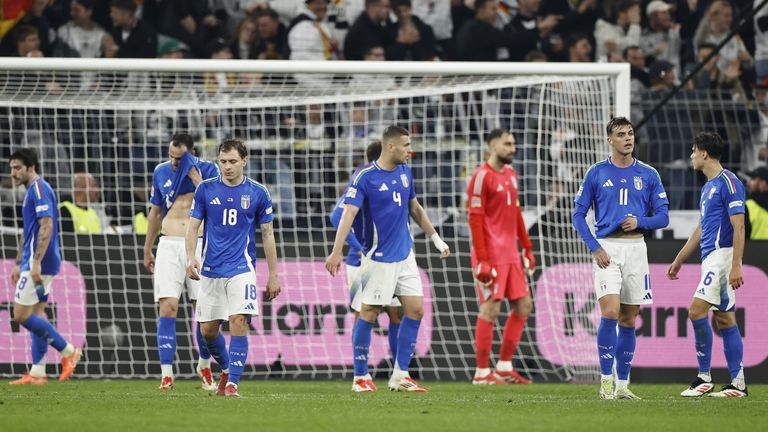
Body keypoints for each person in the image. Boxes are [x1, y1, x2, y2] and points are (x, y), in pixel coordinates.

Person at [325, 126, 450, 393]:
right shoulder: (365, 177)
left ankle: (400, 375)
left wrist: (436, 239)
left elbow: (414, 208)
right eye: (406, 145)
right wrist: (336, 251)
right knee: (368, 313)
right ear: (390, 146)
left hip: (406, 254)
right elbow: (346, 215)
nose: (410, 149)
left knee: (415, 310)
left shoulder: (405, 172)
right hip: (378, 258)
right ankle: (360, 377)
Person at [572, 117, 670, 399]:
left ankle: (623, 386)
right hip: (607, 250)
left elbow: (663, 216)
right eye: (620, 134)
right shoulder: (596, 172)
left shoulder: (649, 174)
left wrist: (640, 221)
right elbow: (578, 215)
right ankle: (605, 382)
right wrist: (594, 247)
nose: (627, 138)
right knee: (611, 313)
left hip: (637, 249)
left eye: (630, 134)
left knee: (629, 320)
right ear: (609, 140)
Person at [186, 138, 281, 398]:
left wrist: (273, 274)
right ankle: (227, 368)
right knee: (207, 331)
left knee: (239, 321)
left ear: (244, 161)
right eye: (222, 162)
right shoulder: (205, 189)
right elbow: (193, 226)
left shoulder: (258, 192)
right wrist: (190, 257)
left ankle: (232, 384)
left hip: (242, 267)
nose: (227, 167)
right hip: (211, 269)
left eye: (232, 162)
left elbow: (268, 234)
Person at [667, 132, 748, 398]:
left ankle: (704, 377)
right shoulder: (707, 188)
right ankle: (738, 384)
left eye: (693, 151)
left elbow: (739, 226)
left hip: (723, 257)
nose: (691, 156)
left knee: (695, 311)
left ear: (703, 153)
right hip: (710, 258)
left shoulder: (730, 182)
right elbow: (701, 230)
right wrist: (680, 259)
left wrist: (736, 264)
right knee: (725, 319)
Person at [143, 134, 221, 391]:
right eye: (171, 157)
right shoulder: (161, 172)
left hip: (199, 244)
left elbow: (215, 206)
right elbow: (155, 211)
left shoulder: (209, 170)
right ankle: (167, 374)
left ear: (193, 153)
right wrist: (148, 247)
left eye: (179, 158)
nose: (174, 163)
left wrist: (197, 179)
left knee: (203, 311)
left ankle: (204, 365)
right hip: (168, 244)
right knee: (168, 306)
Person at [467, 129, 536, 385]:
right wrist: (483, 259)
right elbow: (474, 219)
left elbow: (516, 214)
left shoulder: (511, 175)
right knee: (491, 309)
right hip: (490, 254)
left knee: (524, 305)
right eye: (507, 144)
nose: (512, 148)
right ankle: (482, 373)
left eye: (514, 144)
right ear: (493, 145)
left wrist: (527, 247)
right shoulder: (480, 176)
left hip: (511, 253)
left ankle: (504, 366)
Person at [8, 148, 82, 385]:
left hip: (40, 262)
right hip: (34, 260)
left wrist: (35, 263)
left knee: (21, 315)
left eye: (17, 167)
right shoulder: (32, 190)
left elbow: (46, 226)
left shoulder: (40, 189)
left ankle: (69, 351)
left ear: (31, 168)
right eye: (11, 167)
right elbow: (29, 231)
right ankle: (38, 371)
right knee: (37, 313)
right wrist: (20, 262)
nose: (13, 172)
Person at [329, 141, 402, 370]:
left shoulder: (394, 180)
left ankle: (398, 367)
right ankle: (361, 370)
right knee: (364, 314)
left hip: (388, 259)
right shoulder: (364, 179)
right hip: (360, 261)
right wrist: (358, 246)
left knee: (395, 313)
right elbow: (336, 216)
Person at [744, 166, 768, 239]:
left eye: (753, 179)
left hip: (754, 249)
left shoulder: (748, 206)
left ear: (763, 184)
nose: (748, 183)